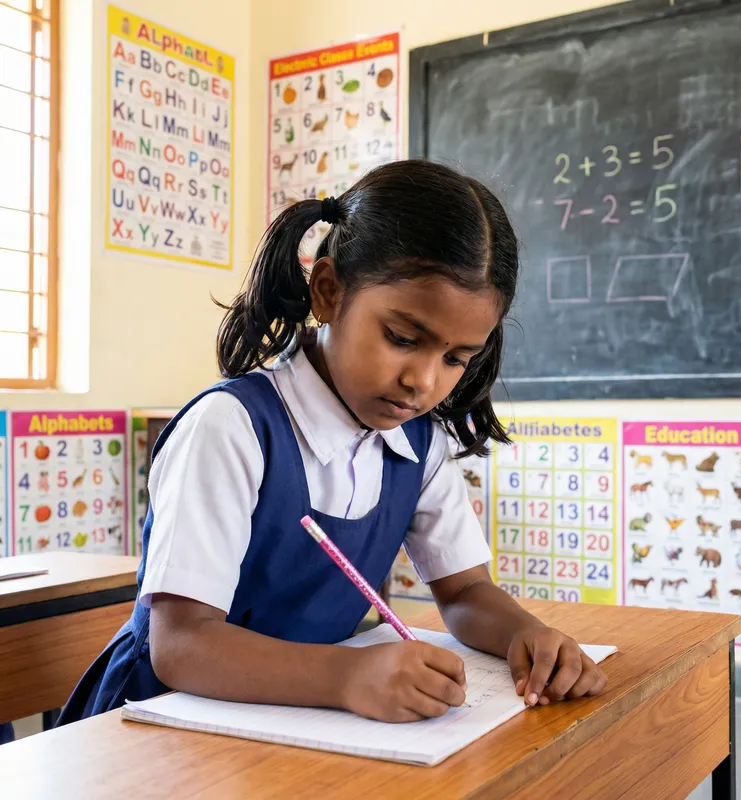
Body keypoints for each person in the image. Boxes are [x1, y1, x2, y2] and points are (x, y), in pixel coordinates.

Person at [57, 160, 607, 726]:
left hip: (301, 728)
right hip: (161, 724)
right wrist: (347, 677)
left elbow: (464, 590)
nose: (423, 381)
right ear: (327, 292)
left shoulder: (418, 444)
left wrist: (528, 635)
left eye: (455, 359)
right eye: (401, 338)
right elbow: (181, 646)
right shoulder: (231, 428)